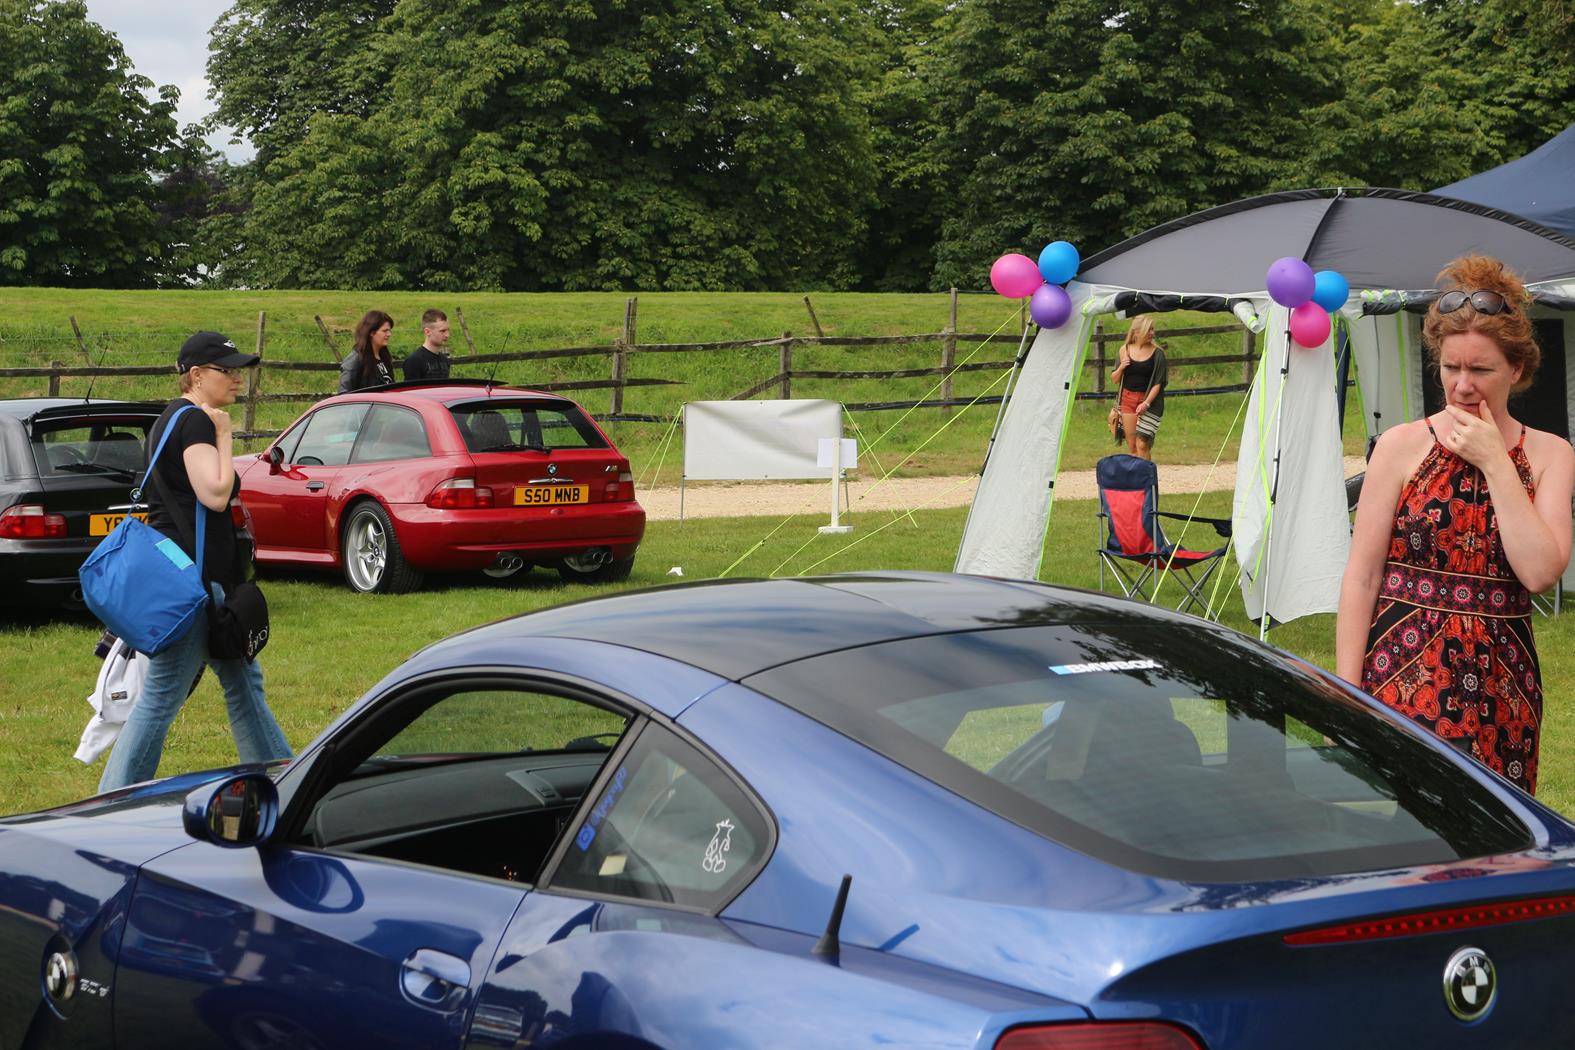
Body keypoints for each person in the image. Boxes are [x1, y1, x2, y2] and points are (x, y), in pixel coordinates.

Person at [1337, 255, 1574, 795]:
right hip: (1401, 673)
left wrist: (1496, 462)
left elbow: (1540, 573)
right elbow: (1362, 577)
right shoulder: (1400, 445)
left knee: (1498, 831)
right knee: (1411, 825)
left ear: (1516, 370)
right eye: (1450, 368)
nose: (1462, 385)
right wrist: (1347, 693)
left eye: (1481, 371)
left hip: (1503, 685)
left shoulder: (1550, 454)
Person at [97, 332, 293, 791]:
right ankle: (113, 800)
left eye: (239, 370)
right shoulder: (196, 423)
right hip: (196, 584)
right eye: (227, 370)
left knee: (243, 684)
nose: (237, 378)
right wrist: (224, 435)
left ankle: (283, 781)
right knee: (163, 695)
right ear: (197, 375)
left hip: (192, 576)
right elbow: (216, 493)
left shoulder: (168, 419)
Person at [1107, 316, 1168, 460]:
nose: (1152, 333)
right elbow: (1115, 379)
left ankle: (1147, 474)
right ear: (1137, 332)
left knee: (1142, 444)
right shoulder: (1124, 350)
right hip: (1127, 400)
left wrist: (1146, 403)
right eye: (1149, 330)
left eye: (1153, 329)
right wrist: (1121, 367)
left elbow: (1158, 383)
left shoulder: (1158, 353)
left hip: (1149, 402)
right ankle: (1139, 475)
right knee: (1133, 446)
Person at [338, 310, 395, 392]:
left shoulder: (384, 357)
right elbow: (344, 393)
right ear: (371, 332)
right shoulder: (355, 360)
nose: (389, 334)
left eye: (389, 331)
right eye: (385, 331)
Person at [402, 309, 453, 382]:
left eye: (448, 330)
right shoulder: (414, 361)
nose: (447, 335)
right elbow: (411, 388)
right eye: (442, 331)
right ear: (427, 332)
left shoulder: (444, 360)